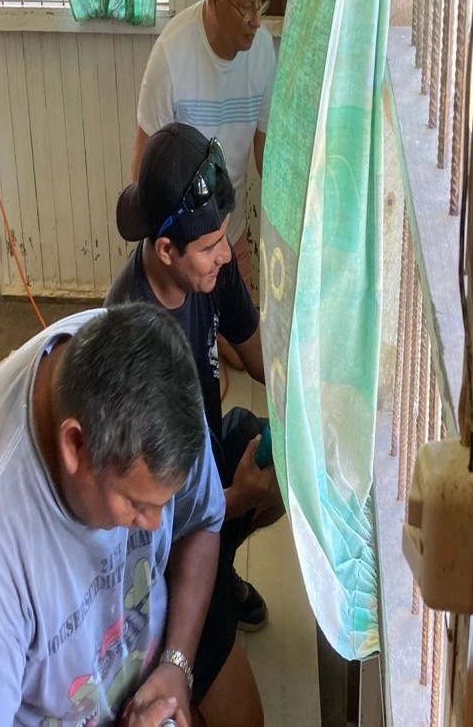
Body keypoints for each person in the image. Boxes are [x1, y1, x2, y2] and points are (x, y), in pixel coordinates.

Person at [0, 303, 238, 727]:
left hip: (148, 660)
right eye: (136, 505)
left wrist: (177, 663)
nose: (158, 525)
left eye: (164, 502)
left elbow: (201, 522)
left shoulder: (158, 386)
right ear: (76, 445)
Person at [105, 123, 284, 726]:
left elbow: (258, 356)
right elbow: (152, 518)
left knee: (280, 460)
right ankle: (184, 616)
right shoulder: (135, 337)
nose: (226, 254)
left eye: (223, 237)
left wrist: (310, 390)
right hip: (159, 527)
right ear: (165, 251)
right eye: (210, 247)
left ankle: (219, 570)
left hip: (202, 469)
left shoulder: (210, 263)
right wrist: (239, 498)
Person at [132, 0, 277, 298]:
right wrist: (175, 258)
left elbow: (266, 156)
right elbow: (141, 172)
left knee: (245, 329)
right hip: (184, 252)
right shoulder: (171, 55)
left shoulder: (261, 52)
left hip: (230, 234)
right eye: (245, 7)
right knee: (186, 333)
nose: (256, 21)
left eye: (260, 3)